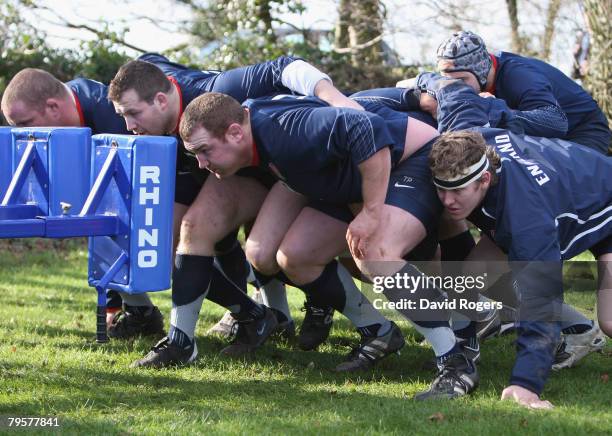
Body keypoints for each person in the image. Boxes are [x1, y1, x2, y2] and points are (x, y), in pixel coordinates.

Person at [177, 91, 480, 400]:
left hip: (406, 158)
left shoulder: (282, 130)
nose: (200, 163)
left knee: (376, 254)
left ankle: (456, 360)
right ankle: (378, 331)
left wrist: (371, 211)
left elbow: (366, 128)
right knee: (295, 256)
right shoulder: (257, 132)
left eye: (204, 151)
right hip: (355, 176)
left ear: (235, 132)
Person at [107, 55, 366, 367]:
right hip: (246, 173)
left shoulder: (215, 89)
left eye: (133, 113)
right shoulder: (152, 96)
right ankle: (184, 341)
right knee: (189, 231)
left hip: (306, 171)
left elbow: (285, 67)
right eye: (123, 116)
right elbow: (147, 64)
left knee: (362, 258)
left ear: (162, 100)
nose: (129, 126)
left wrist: (336, 100)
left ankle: (366, 319)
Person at [427, 80, 612, 409]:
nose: (448, 201)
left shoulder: (525, 219)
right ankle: (459, 361)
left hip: (603, 204)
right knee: (465, 281)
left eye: (458, 191)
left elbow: (542, 300)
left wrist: (525, 384)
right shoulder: (468, 138)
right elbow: (454, 88)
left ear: (484, 179)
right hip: (571, 186)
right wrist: (419, 84)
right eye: (441, 189)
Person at [0, 68, 165, 336]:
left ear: (53, 107)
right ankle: (139, 313)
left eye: (25, 123)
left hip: (188, 175)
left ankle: (246, 310)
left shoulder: (110, 116)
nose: (23, 134)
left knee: (182, 237)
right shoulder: (66, 111)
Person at [401, 30, 611, 155]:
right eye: (449, 81)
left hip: (583, 131)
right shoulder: (473, 76)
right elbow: (407, 83)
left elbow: (556, 121)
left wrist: (496, 110)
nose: (456, 88)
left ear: (482, 71)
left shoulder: (518, 75)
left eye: (462, 80)